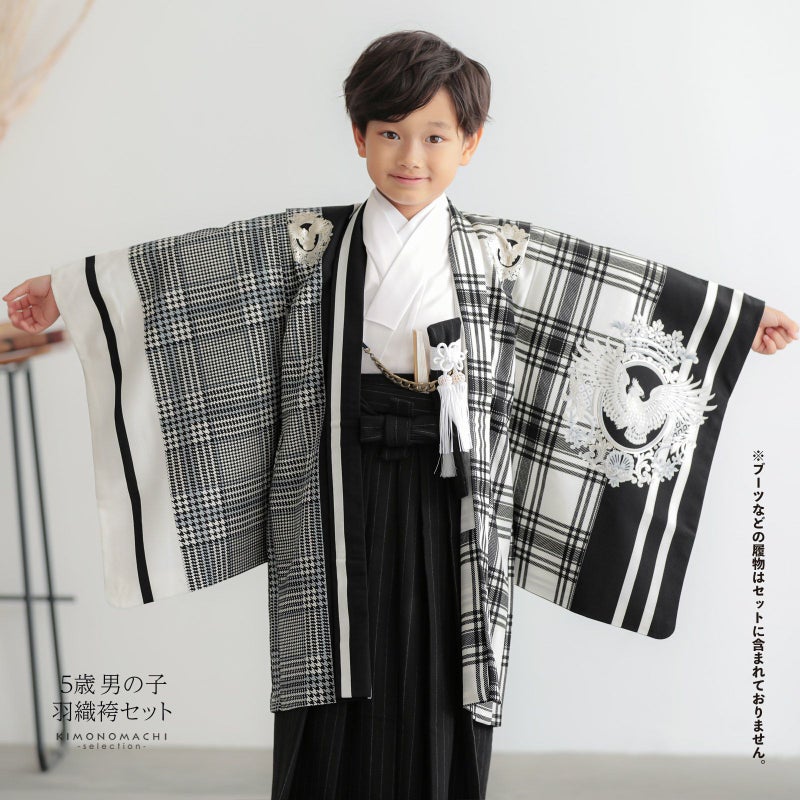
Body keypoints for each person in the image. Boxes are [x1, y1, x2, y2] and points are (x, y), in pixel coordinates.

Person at [3, 29, 797, 800]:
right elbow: (184, 276)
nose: (411, 157)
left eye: (435, 137)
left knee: (447, 671)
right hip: (332, 485)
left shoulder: (499, 252)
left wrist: (734, 322)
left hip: (453, 488)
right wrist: (64, 289)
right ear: (359, 136)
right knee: (328, 669)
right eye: (390, 133)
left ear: (469, 144)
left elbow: (612, 286)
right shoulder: (310, 243)